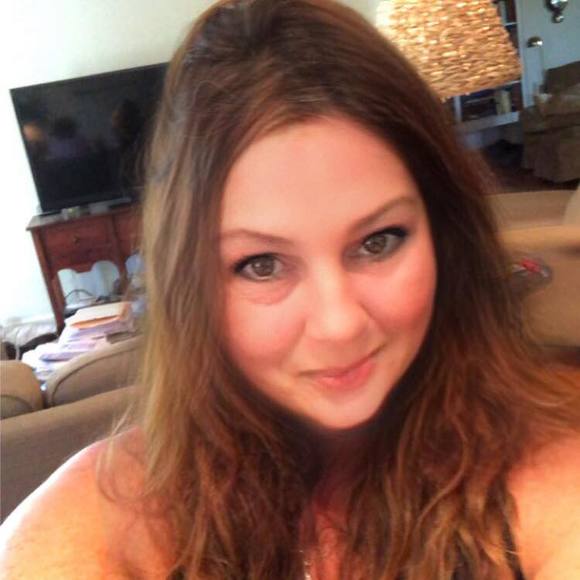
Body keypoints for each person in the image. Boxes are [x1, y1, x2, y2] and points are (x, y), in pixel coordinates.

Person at [1, 0, 580, 578]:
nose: (339, 324)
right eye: (261, 265)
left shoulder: (547, 479)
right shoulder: (104, 515)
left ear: (443, 234)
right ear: (191, 286)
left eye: (378, 241)